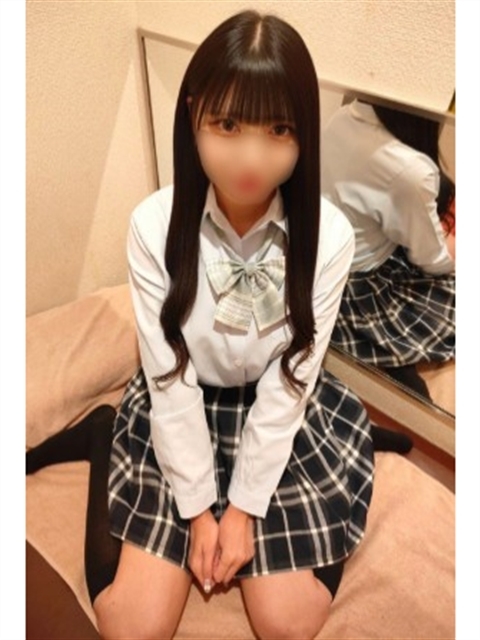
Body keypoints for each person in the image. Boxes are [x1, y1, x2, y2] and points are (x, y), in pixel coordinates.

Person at [26, 11, 410, 640]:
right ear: (194, 113)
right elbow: (168, 375)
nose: (251, 158)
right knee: (132, 626)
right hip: (182, 400)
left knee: (288, 624)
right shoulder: (153, 225)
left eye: (279, 129)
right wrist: (200, 510)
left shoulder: (329, 235)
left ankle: (340, 450)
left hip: (274, 402)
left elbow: (291, 379)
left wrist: (246, 510)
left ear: (304, 132)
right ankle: (104, 433)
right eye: (228, 124)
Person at [321, 98, 455, 400]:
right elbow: (432, 261)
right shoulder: (410, 169)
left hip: (328, 262)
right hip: (357, 292)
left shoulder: (344, 115)